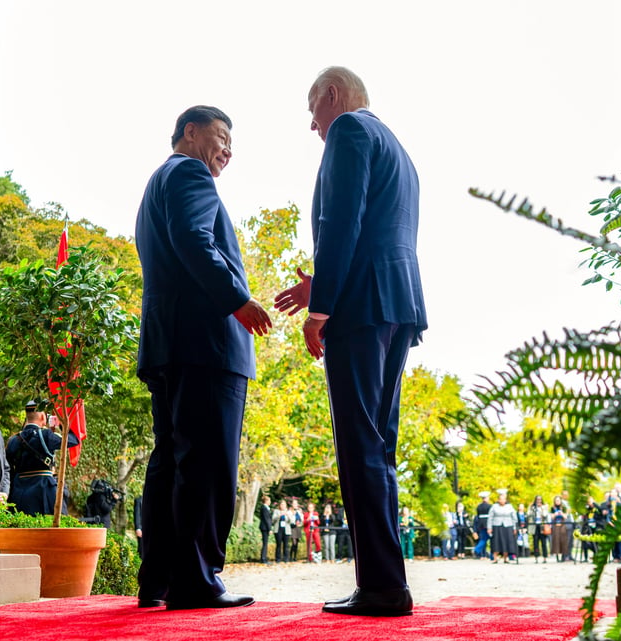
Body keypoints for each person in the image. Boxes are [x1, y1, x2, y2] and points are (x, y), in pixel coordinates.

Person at [274, 66, 426, 618]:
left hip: (360, 309)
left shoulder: (349, 131)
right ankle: (387, 583)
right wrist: (322, 282)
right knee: (378, 446)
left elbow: (342, 220)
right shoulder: (398, 148)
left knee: (359, 445)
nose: (312, 125)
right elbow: (378, 229)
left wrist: (322, 308)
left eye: (313, 109)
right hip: (395, 303)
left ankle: (382, 588)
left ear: (332, 96)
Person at [134, 105, 272, 611]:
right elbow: (195, 240)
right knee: (207, 463)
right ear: (189, 133)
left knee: (170, 459)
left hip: (170, 344)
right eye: (220, 137)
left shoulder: (158, 181)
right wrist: (237, 299)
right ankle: (198, 580)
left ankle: (160, 581)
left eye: (232, 145)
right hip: (205, 345)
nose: (227, 151)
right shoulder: (189, 172)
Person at [6, 401, 80, 516]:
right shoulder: (46, 435)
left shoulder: (13, 440)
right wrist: (61, 423)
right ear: (42, 416)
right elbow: (73, 440)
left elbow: (9, 470)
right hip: (43, 490)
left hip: (19, 492)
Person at [487, 491, 518, 563]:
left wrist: (514, 528)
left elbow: (514, 518)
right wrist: (489, 527)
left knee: (507, 542)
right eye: (500, 499)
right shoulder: (494, 507)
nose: (502, 501)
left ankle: (505, 558)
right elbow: (490, 517)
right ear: (498, 500)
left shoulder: (510, 507)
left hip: (508, 525)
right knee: (496, 542)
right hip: (497, 526)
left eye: (503, 499)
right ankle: (495, 558)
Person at [527, 495, 551, 563]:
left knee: (543, 542)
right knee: (535, 542)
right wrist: (531, 508)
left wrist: (542, 509)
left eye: (540, 499)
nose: (538, 501)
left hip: (542, 526)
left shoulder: (544, 507)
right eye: (537, 499)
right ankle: (536, 557)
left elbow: (545, 515)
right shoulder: (532, 507)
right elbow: (528, 514)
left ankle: (544, 558)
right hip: (535, 526)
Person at [473, 491, 492, 559]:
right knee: (491, 540)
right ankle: (491, 555)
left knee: (483, 539)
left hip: (481, 525)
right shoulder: (490, 506)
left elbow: (478, 516)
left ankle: (477, 550)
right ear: (486, 498)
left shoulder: (479, 506)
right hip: (488, 524)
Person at [258, 495, 273, 564]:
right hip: (265, 528)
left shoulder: (266, 508)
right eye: (269, 500)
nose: (270, 502)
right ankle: (263, 559)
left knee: (265, 543)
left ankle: (264, 558)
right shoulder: (264, 508)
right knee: (265, 543)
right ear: (266, 501)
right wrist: (269, 529)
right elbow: (266, 519)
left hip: (265, 527)